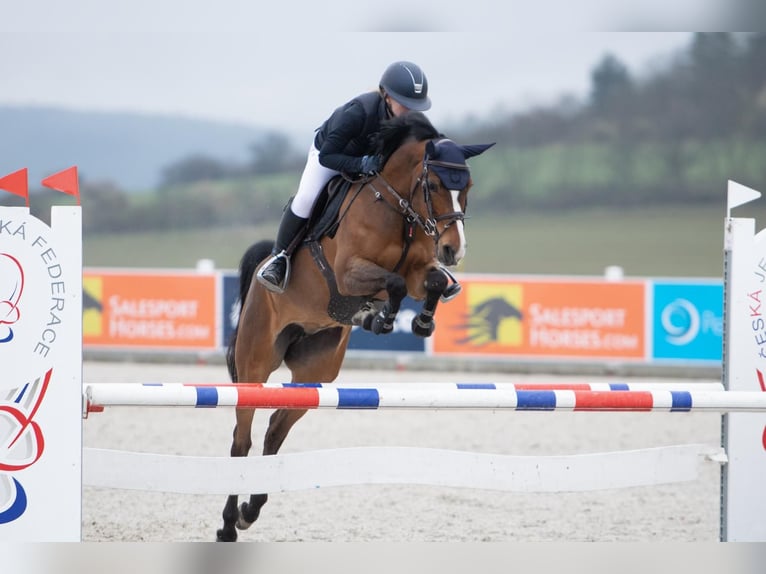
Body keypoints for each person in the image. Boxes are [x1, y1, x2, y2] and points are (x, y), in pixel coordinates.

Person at [256, 61, 432, 293]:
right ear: (386, 96)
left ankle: (428, 260)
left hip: (368, 160)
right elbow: (327, 156)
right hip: (330, 155)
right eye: (405, 104)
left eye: (415, 106)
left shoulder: (408, 121)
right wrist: (359, 163)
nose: (410, 111)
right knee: (306, 199)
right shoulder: (358, 112)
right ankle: (279, 259)